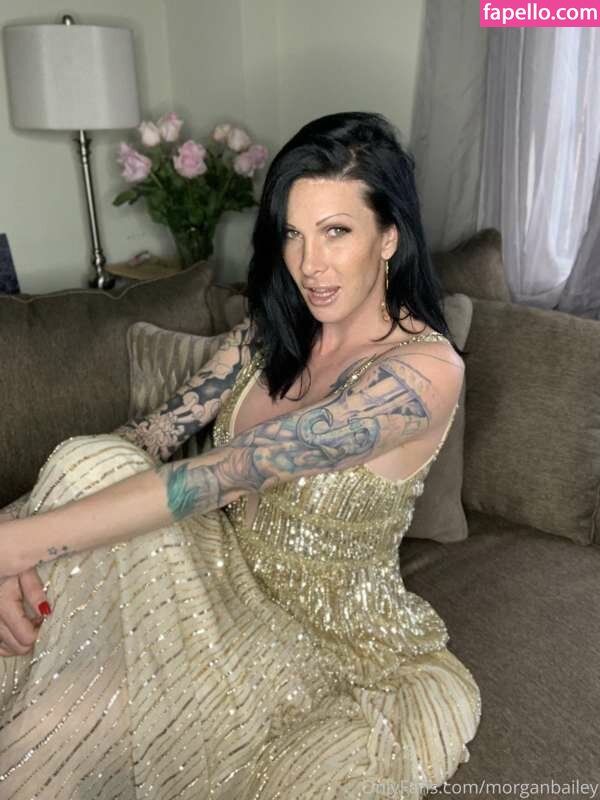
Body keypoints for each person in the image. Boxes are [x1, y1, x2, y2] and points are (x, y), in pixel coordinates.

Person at [0, 111, 481, 799]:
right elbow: (146, 439)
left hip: (320, 638)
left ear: (389, 237)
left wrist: (17, 544)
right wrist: (16, 528)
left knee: (56, 720)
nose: (308, 265)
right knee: (91, 462)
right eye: (292, 233)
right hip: (216, 575)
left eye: (336, 232)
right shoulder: (268, 333)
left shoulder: (424, 373)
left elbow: (228, 472)